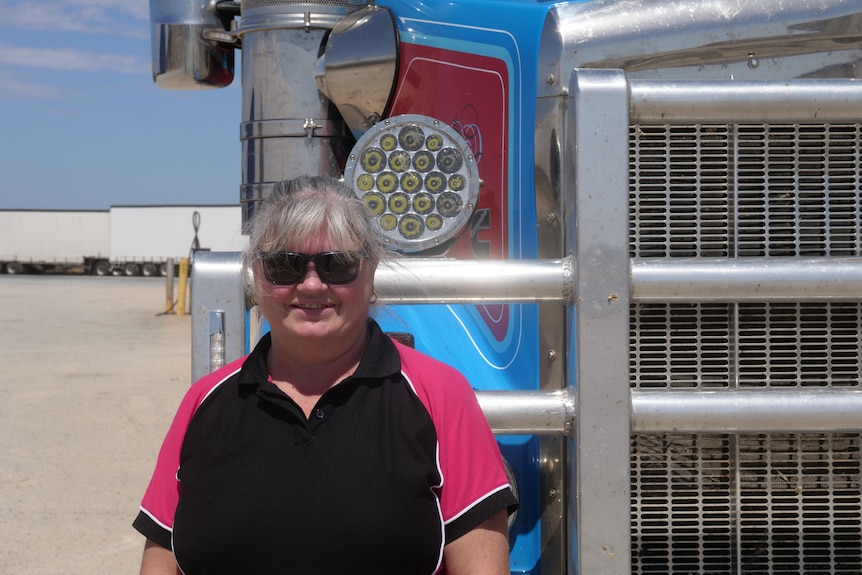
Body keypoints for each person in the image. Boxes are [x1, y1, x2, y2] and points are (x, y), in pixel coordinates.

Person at [133, 175, 518, 574]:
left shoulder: (440, 395)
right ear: (256, 276)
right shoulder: (205, 400)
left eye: (338, 264)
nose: (312, 284)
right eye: (285, 265)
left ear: (371, 271)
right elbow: (160, 561)